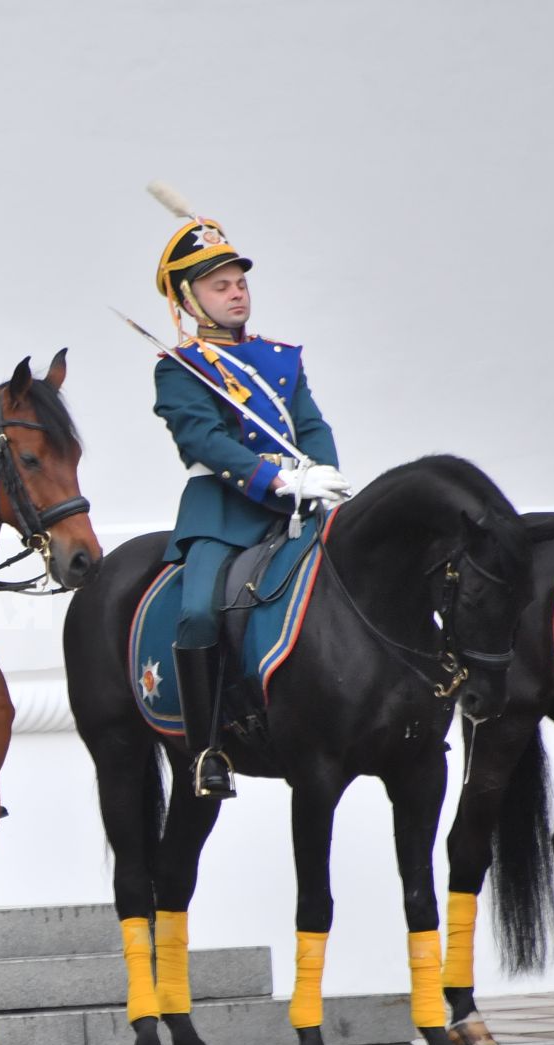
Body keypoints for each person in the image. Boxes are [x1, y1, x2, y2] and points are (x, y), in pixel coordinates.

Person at [147, 182, 349, 799]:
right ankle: (208, 746)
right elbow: (205, 440)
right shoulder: (180, 367)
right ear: (189, 297)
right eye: (219, 285)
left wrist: (323, 474)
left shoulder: (282, 357)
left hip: (302, 506)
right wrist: (277, 478)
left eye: (239, 282)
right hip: (225, 513)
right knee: (199, 610)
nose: (236, 293)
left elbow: (310, 422)